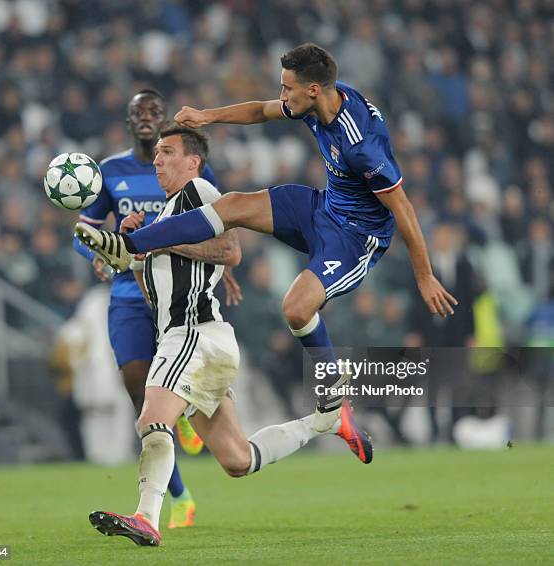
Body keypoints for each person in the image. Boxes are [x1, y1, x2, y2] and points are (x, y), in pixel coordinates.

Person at [75, 43, 457, 437]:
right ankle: (133, 243)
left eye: (287, 88)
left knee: (295, 308)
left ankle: (332, 389)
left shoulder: (363, 146)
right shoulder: (318, 97)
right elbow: (261, 110)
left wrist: (424, 276)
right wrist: (207, 116)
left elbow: (404, 209)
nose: (282, 96)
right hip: (322, 208)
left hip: (356, 238)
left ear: (312, 90)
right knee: (233, 204)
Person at [86, 125, 370, 547]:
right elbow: (156, 298)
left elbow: (230, 250)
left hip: (194, 334)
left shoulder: (198, 193)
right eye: (157, 153)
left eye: (167, 152)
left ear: (193, 161)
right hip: (194, 340)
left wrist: (157, 244)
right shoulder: (164, 218)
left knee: (151, 418)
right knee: (238, 460)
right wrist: (136, 257)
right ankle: (325, 420)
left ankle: (147, 517)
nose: (158, 160)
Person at [73, 88, 241, 528]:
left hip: (176, 293)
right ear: (128, 122)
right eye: (138, 112)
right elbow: (84, 230)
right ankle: (181, 495)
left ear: (166, 120)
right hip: (130, 293)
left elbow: (218, 225)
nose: (146, 117)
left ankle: (180, 421)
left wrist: (230, 272)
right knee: (137, 386)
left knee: (160, 393)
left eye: (154, 111)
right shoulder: (110, 171)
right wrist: (95, 253)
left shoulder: (191, 168)